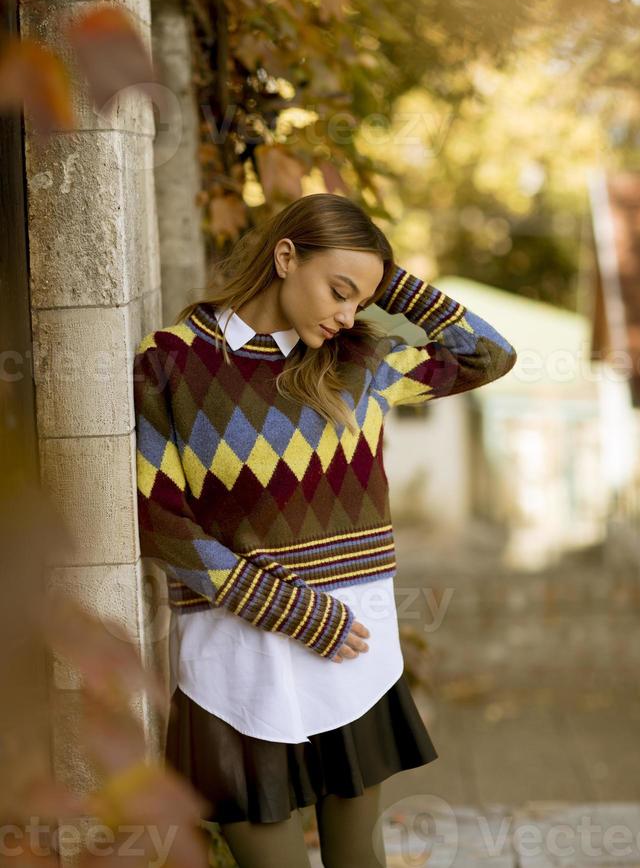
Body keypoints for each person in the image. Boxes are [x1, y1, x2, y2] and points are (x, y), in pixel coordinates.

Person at [133, 193, 517, 868]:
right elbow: (158, 520)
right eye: (339, 290)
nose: (347, 314)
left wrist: (381, 275)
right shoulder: (172, 362)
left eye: (359, 300)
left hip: (351, 657)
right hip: (237, 656)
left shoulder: (359, 364)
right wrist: (293, 610)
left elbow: (488, 352)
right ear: (286, 256)